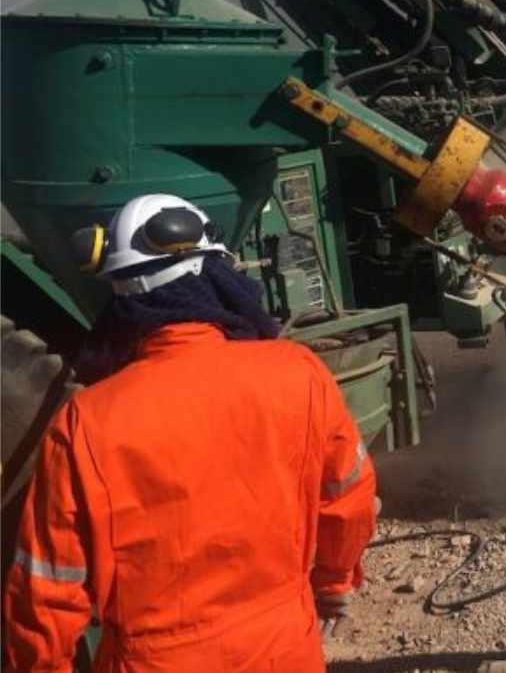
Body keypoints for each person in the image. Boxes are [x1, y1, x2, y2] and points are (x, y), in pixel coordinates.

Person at [3, 194, 377, 672]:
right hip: (285, 649)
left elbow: (46, 591)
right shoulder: (299, 374)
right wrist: (334, 581)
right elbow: (349, 497)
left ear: (123, 297)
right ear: (216, 275)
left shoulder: (88, 423)